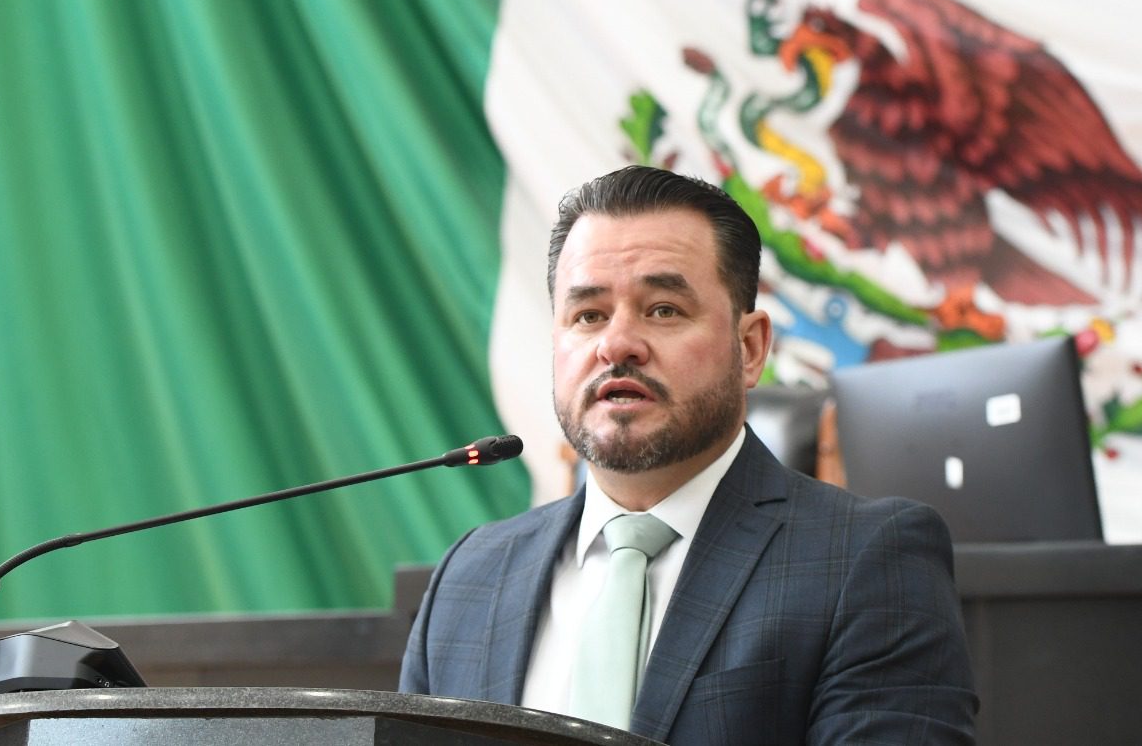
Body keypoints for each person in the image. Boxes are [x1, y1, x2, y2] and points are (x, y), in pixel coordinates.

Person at [400, 165, 977, 744]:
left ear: (749, 348)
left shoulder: (867, 560)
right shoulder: (470, 576)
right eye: (589, 315)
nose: (617, 344)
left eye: (663, 310)